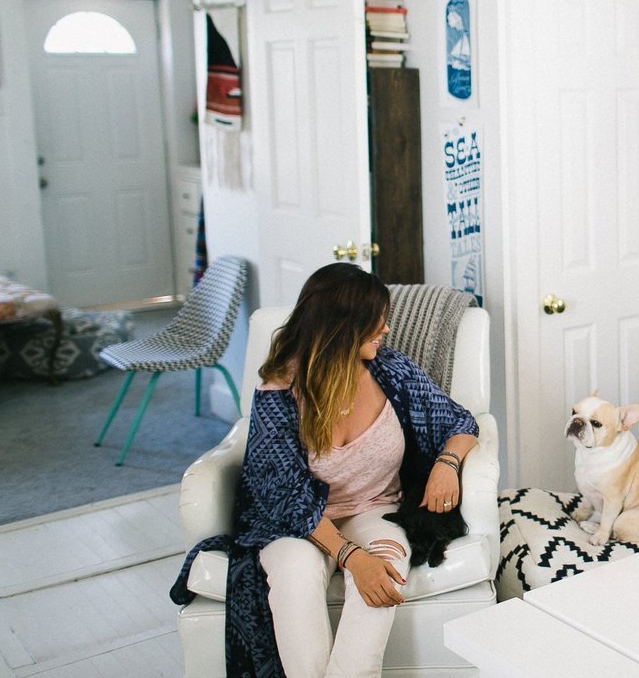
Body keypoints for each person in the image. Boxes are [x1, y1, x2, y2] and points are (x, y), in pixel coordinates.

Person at [171, 263, 479, 678]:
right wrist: (351, 557)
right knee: (296, 576)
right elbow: (284, 496)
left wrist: (447, 462)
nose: (386, 329)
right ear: (342, 326)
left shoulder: (391, 370)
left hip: (377, 511)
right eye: (377, 320)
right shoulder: (279, 392)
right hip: (293, 525)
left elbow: (460, 423)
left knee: (386, 574)